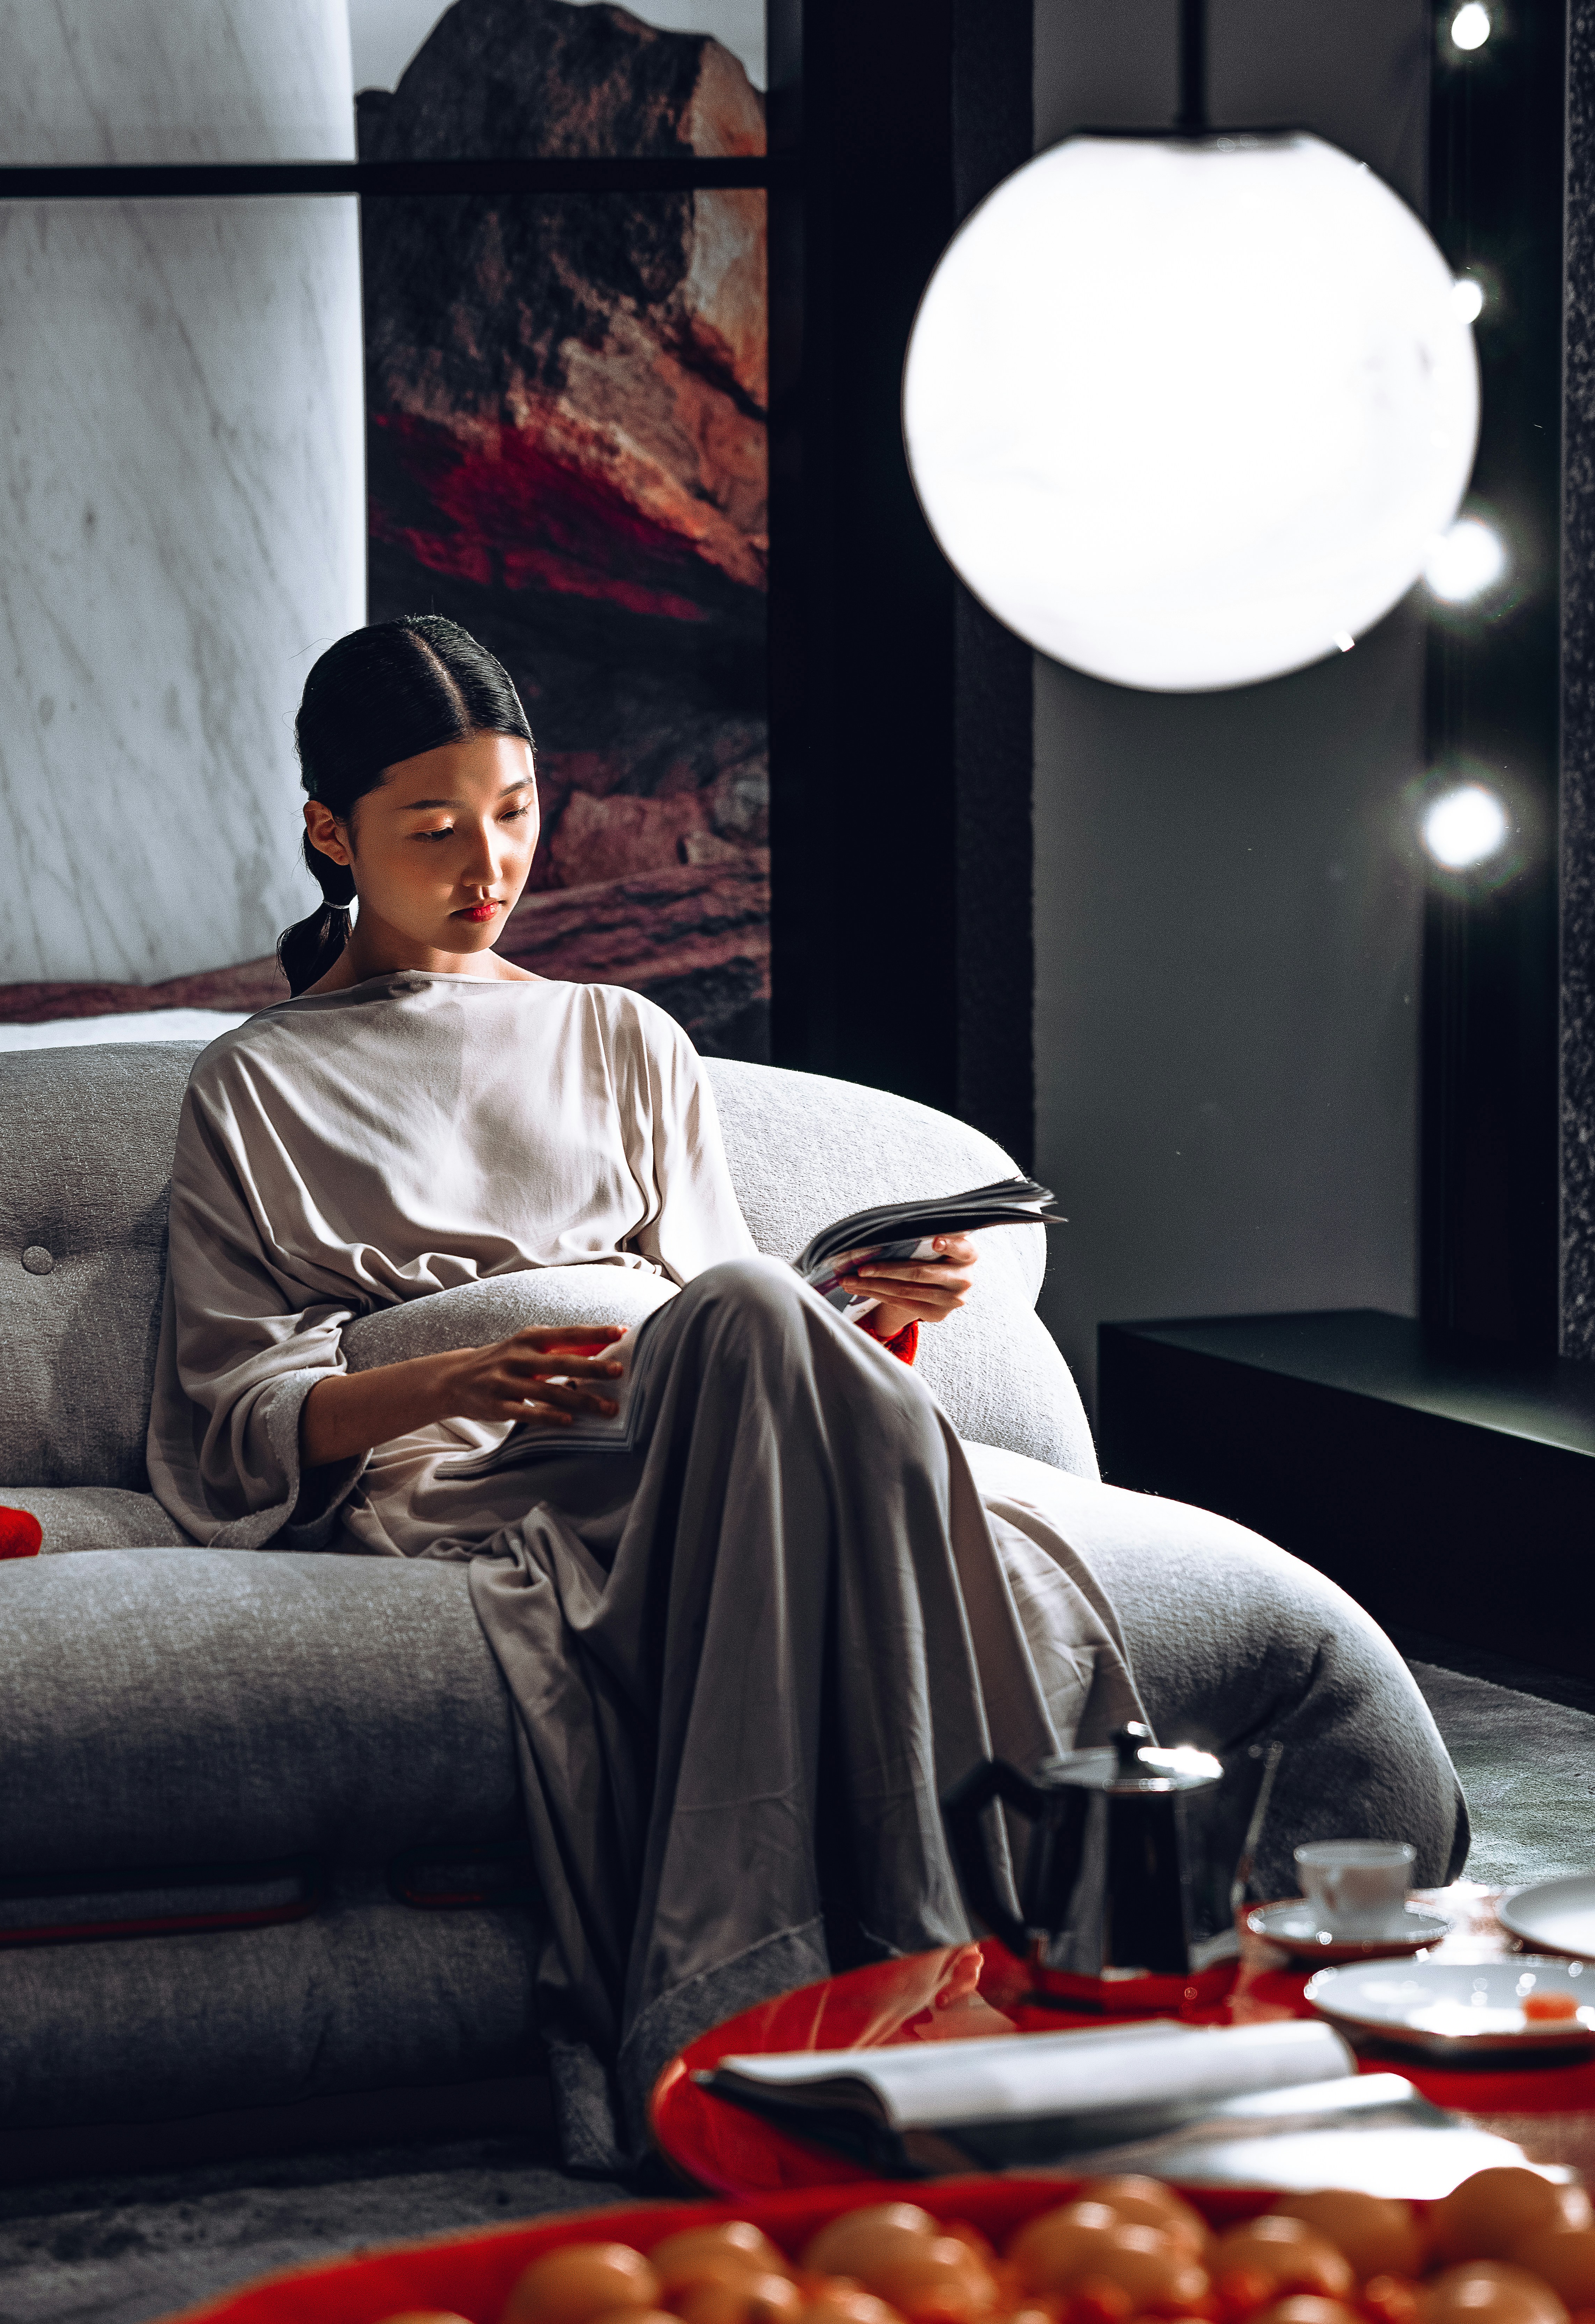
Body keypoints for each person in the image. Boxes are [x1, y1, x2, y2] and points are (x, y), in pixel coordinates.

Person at [149, 616, 1466, 2169]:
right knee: (767, 1341)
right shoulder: (254, 1082)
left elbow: (729, 1299)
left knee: (767, 1313)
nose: (489, 862)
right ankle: (934, 1942)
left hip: (689, 1419)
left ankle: (825, 1981)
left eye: (514, 811)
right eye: (434, 828)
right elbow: (228, 1410)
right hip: (476, 1465)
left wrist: (877, 1312)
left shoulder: (620, 1035)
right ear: (329, 830)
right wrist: (458, 1367)